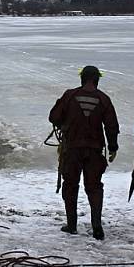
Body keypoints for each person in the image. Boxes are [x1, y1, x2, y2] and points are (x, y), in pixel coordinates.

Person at [49, 65, 119, 240]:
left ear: (82, 78)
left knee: (70, 185)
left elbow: (54, 117)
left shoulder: (70, 95)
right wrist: (113, 147)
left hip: (71, 149)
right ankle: (97, 227)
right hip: (95, 151)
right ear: (97, 79)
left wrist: (67, 123)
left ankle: (71, 225)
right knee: (94, 187)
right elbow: (111, 126)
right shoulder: (103, 99)